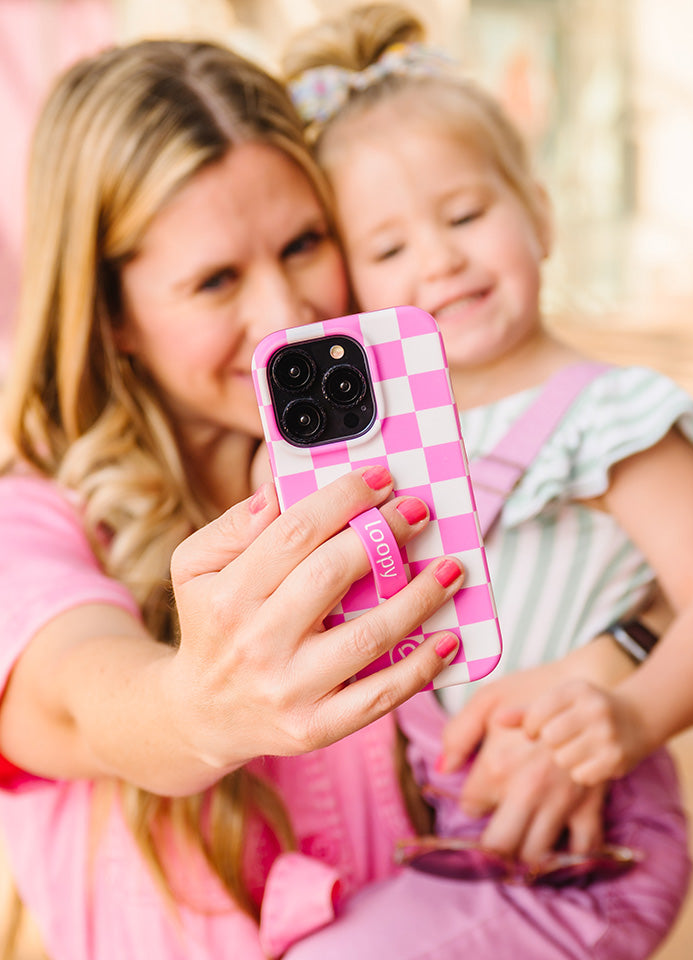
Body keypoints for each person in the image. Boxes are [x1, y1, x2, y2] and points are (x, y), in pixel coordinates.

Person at [0, 38, 484, 960]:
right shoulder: (27, 526)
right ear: (111, 313)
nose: (284, 312)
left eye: (305, 243)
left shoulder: (429, 453)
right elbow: (75, 701)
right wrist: (194, 707)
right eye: (216, 280)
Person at [280, 3, 693, 957]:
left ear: (541, 214)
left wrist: (633, 713)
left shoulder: (613, 415)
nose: (438, 258)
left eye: (466, 215)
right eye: (390, 248)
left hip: (578, 845)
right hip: (446, 834)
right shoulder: (381, 453)